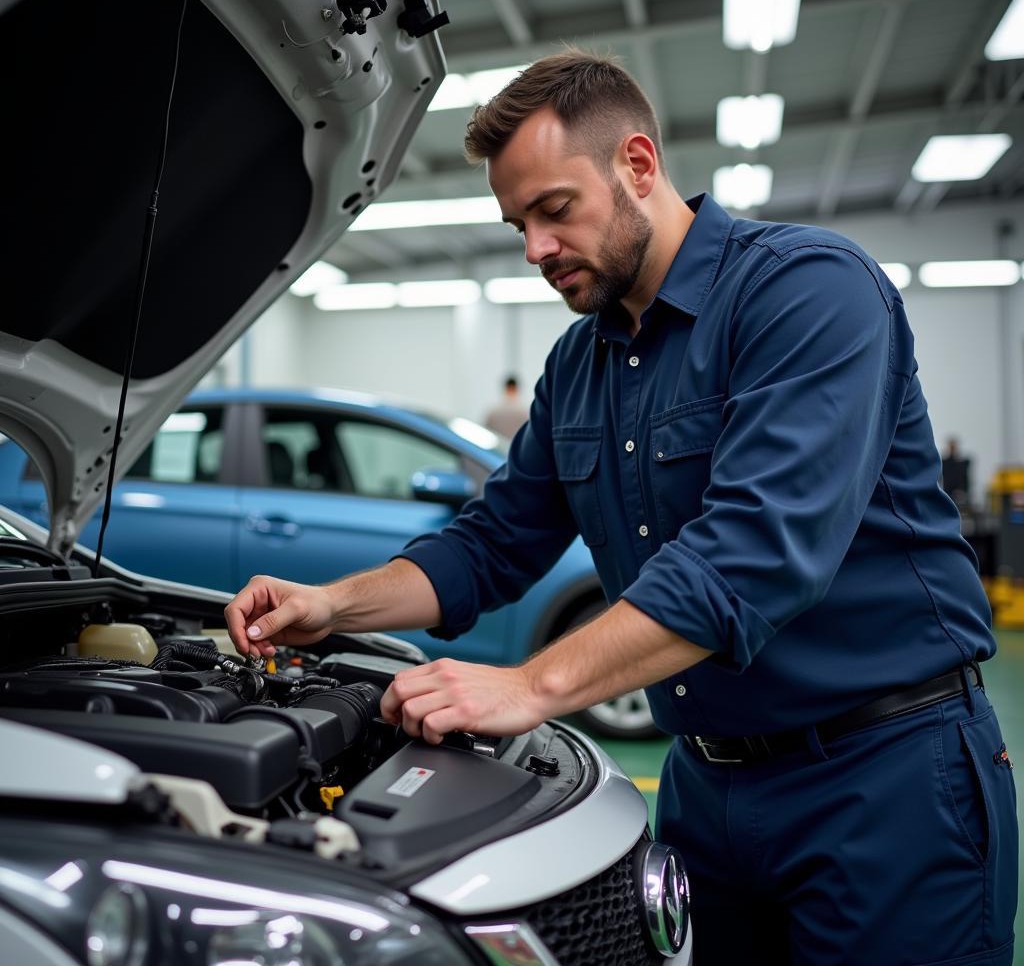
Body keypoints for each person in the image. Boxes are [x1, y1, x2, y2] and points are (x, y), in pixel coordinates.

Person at [226, 52, 1017, 965]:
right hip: (704, 788)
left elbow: (751, 555)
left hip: (883, 778)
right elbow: (490, 545)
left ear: (638, 165)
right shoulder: (579, 366)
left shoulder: (808, 292)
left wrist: (529, 687)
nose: (535, 249)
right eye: (518, 222)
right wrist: (334, 603)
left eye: (555, 210)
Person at [484, 374, 529, 439]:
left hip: (498, 448)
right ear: (516, 389)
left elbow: (487, 434)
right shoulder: (525, 413)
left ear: (506, 388)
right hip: (517, 448)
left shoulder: (493, 413)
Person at [941, 435, 973, 508]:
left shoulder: (961, 464)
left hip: (960, 493)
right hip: (948, 492)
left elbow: (965, 479)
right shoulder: (944, 462)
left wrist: (964, 491)